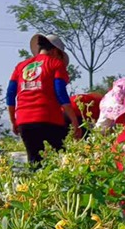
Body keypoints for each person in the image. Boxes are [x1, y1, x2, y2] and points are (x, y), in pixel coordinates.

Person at [6, 34, 79, 164]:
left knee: (35, 162)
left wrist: (13, 121)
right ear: (55, 51)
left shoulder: (20, 66)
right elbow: (61, 93)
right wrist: (74, 122)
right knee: (63, 160)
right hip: (50, 119)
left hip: (24, 121)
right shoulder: (55, 63)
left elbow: (10, 95)